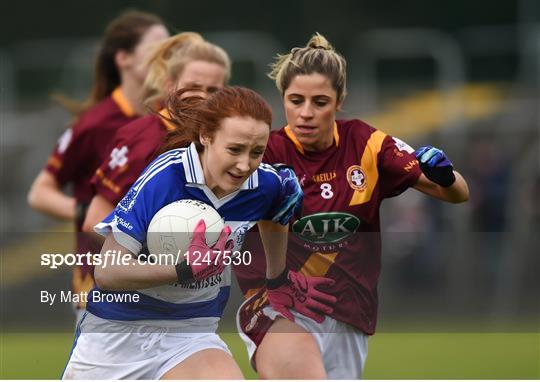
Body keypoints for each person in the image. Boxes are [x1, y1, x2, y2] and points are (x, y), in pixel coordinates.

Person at [234, 33, 470, 379]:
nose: (306, 113)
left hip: (348, 310)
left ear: (340, 100)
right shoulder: (265, 153)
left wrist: (445, 175)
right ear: (282, 99)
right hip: (278, 304)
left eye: (320, 102)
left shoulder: (368, 144)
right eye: (295, 100)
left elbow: (458, 193)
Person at [62, 86, 335, 380]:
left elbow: (276, 210)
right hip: (116, 334)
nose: (245, 164)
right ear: (206, 136)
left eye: (256, 152)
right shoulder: (166, 178)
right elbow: (108, 272)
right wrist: (184, 270)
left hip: (190, 332)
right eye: (234, 149)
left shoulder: (267, 184)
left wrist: (277, 277)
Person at [27, 10, 169, 320]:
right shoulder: (94, 123)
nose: (166, 58)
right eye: (157, 49)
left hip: (158, 278)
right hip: (98, 282)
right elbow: (40, 193)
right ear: (124, 59)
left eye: (170, 51)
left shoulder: (171, 118)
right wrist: (90, 214)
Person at [82, 32, 231, 235]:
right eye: (193, 87)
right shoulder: (142, 139)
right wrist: (154, 260)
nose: (203, 97)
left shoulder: (225, 138)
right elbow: (94, 223)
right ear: (170, 85)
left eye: (213, 90)